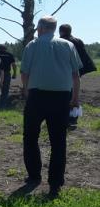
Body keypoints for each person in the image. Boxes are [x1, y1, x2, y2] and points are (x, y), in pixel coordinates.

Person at [21, 15, 81, 196]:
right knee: (58, 140)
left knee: (30, 136)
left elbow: (24, 72)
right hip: (61, 97)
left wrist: (26, 91)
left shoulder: (32, 45)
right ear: (54, 29)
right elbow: (75, 74)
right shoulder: (68, 45)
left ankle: (34, 175)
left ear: (40, 28)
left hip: (37, 96)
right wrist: (75, 98)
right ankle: (55, 181)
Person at [59, 24, 96, 128]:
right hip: (77, 72)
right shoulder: (78, 41)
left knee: (65, 96)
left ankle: (67, 119)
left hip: (65, 72)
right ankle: (73, 118)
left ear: (61, 31)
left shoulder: (60, 42)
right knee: (74, 95)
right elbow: (84, 56)